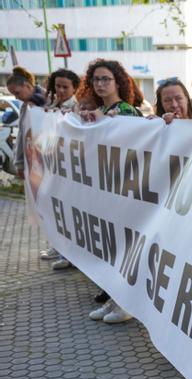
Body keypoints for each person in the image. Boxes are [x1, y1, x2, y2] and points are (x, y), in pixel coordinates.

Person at [77, 59, 141, 324]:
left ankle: (125, 303)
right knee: (111, 248)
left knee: (123, 249)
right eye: (96, 80)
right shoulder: (100, 111)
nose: (100, 84)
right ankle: (115, 298)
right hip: (106, 189)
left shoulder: (126, 111)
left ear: (118, 82)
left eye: (106, 79)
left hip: (124, 189)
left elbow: (136, 147)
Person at [38, 69, 82, 268]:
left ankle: (69, 254)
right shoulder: (53, 106)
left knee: (69, 212)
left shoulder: (77, 108)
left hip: (69, 169)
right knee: (57, 211)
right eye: (58, 86)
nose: (61, 90)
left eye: (66, 87)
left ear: (74, 88)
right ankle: (58, 245)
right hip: (53, 167)